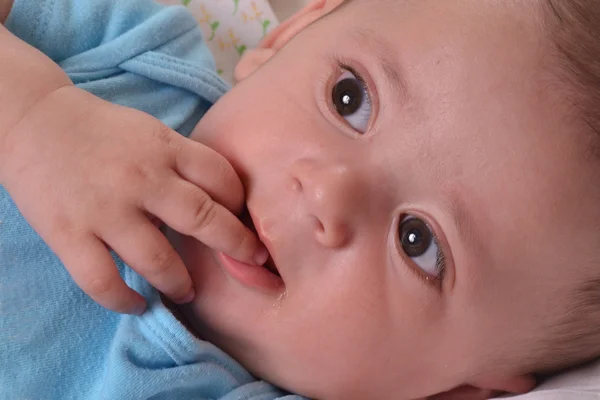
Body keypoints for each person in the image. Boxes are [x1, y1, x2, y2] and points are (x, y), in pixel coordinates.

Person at [2, 0, 600, 399]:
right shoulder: (133, 64)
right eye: (349, 99)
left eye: (418, 242)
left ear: (454, 390)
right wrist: (31, 115)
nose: (329, 192)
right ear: (292, 33)